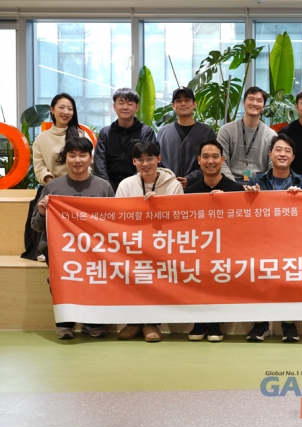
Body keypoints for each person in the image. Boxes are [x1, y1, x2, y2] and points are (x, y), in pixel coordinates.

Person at [31, 136, 115, 340]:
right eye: (72, 155)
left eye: (82, 155)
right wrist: (42, 212)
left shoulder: (104, 187)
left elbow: (114, 224)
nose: (77, 160)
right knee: (62, 280)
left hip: (94, 249)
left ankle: (92, 322)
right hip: (59, 249)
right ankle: (64, 323)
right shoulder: (52, 188)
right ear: (66, 158)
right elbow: (36, 226)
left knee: (95, 278)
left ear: (91, 158)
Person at [244, 134, 302, 342]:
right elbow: (245, 214)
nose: (282, 154)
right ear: (270, 154)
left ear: (293, 157)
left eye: (287, 151)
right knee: (260, 281)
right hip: (263, 242)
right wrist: (250, 197)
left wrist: (301, 199)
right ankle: (261, 324)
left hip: (293, 243)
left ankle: (288, 324)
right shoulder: (255, 181)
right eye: (278, 150)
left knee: (290, 281)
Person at [114, 141, 184, 342]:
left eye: (150, 158)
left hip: (164, 245)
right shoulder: (126, 185)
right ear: (134, 162)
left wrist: (160, 206)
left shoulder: (173, 185)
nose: (145, 164)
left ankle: (152, 324)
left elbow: (181, 217)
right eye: (140, 159)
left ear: (159, 159)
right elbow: (117, 217)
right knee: (131, 277)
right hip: (133, 245)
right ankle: (134, 323)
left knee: (157, 278)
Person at [184, 140, 246, 342]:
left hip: (228, 250)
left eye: (215, 157)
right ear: (198, 160)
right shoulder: (189, 193)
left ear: (223, 159)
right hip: (198, 248)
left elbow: (244, 223)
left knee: (219, 279)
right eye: (206, 157)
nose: (210, 161)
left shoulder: (236, 190)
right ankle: (199, 323)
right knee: (196, 279)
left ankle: (215, 324)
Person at [94, 88, 157, 191]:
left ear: (137, 107)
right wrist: (105, 185)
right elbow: (99, 160)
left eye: (130, 104)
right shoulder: (105, 133)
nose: (125, 107)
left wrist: (132, 184)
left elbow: (148, 160)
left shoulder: (146, 132)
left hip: (137, 184)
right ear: (114, 106)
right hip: (109, 184)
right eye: (121, 103)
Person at [157, 86, 216, 189]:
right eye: (179, 101)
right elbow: (157, 161)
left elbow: (213, 161)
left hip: (199, 188)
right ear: (173, 106)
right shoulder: (163, 132)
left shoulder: (206, 132)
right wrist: (169, 179)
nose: (183, 103)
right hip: (168, 188)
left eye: (187, 100)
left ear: (194, 104)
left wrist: (191, 178)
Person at [217, 86, 278, 183]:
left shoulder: (271, 135)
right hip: (231, 182)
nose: (254, 103)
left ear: (263, 107)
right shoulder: (226, 131)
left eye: (259, 100)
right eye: (251, 99)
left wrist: (260, 184)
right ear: (243, 103)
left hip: (260, 184)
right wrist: (234, 186)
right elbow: (221, 162)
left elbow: (273, 165)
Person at [33, 93, 92, 186]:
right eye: (61, 107)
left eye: (70, 109)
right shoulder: (41, 139)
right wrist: (53, 185)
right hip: (52, 187)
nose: (66, 112)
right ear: (52, 109)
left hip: (79, 186)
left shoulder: (82, 135)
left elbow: (90, 163)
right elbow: (40, 168)